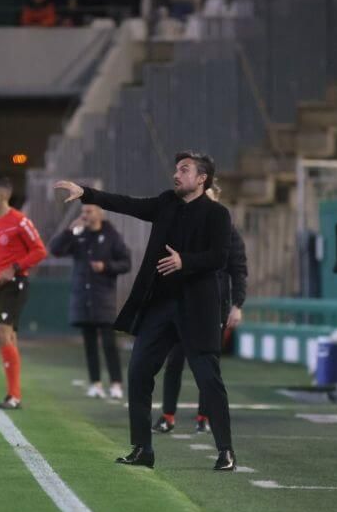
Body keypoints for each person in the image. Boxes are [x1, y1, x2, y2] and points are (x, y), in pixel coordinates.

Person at [54, 150, 237, 471]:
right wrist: (86, 193)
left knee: (208, 379)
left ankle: (226, 451)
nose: (176, 174)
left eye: (184, 170)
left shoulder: (217, 214)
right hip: (160, 307)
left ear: (201, 178)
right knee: (138, 372)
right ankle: (142, 449)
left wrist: (185, 261)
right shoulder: (166, 203)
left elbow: (220, 257)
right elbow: (127, 203)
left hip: (197, 309)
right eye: (176, 169)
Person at [153, 183, 247, 434]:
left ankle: (204, 417)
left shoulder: (228, 233)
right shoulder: (182, 229)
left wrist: (237, 304)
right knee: (174, 360)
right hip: (182, 304)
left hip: (213, 307)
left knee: (207, 364)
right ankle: (167, 415)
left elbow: (238, 270)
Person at [0, 177, 47, 409]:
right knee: (7, 336)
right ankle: (14, 396)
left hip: (15, 284)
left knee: (2, 333)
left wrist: (14, 268)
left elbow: (40, 251)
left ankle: (14, 397)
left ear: (3, 195)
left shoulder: (20, 221)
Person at [49, 204, 131, 400]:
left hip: (104, 298)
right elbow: (55, 250)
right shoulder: (79, 235)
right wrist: (69, 230)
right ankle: (95, 383)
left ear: (100, 213)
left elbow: (126, 263)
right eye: (83, 211)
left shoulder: (112, 236)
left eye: (89, 211)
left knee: (109, 343)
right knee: (89, 344)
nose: (85, 215)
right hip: (83, 299)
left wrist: (106, 266)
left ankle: (116, 383)